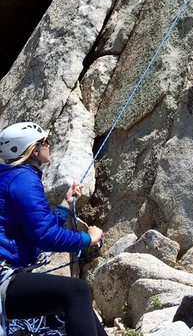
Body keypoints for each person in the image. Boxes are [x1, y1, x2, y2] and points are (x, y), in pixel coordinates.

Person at [0, 122, 106, 336]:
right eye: (44, 142)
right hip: (4, 278)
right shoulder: (24, 180)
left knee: (76, 298)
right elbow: (45, 237)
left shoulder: (11, 177)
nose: (49, 145)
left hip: (6, 275)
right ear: (34, 150)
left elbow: (37, 227)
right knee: (78, 292)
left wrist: (65, 206)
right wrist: (88, 239)